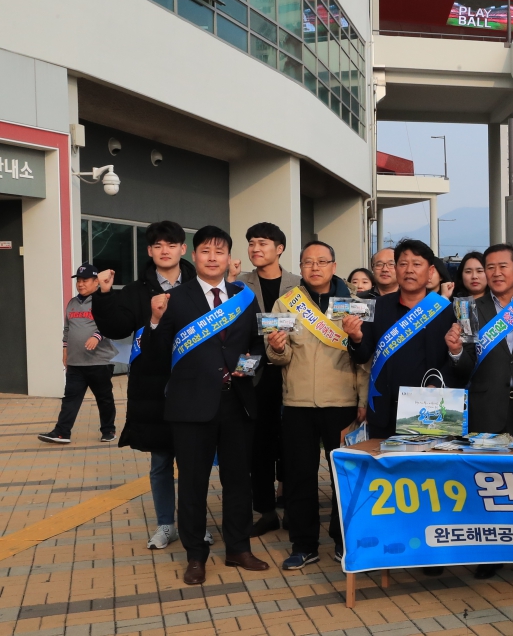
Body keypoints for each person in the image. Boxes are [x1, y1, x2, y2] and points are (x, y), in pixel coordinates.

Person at [145, 226, 267, 585]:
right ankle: (195, 556)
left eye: (220, 252)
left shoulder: (244, 297)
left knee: (238, 482)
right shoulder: (176, 299)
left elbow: (258, 345)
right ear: (193, 256)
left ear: (229, 257)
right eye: (205, 251)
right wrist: (154, 320)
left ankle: (239, 548)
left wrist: (250, 367)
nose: (213, 258)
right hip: (191, 407)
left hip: (237, 403)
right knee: (194, 485)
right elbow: (155, 355)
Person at [92, 220, 207, 550]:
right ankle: (166, 524)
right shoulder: (136, 291)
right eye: (158, 245)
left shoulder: (201, 285)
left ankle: (193, 525)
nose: (165, 250)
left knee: (192, 463)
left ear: (183, 248)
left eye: (171, 244)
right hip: (153, 389)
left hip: (194, 384)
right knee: (160, 462)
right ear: (149, 251)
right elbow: (115, 328)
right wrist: (102, 294)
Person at [448, 242, 513, 582]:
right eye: (489, 267)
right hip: (486, 405)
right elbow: (463, 368)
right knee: (488, 484)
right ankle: (489, 553)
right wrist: (453, 352)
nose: (495, 273)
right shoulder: (468, 309)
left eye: (503, 266)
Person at [266, 241, 366, 569]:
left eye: (322, 261)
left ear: (334, 266)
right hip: (297, 404)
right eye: (308, 262)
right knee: (299, 477)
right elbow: (276, 356)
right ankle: (304, 544)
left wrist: (363, 402)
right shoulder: (286, 303)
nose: (315, 267)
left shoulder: (355, 304)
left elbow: (365, 361)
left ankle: (343, 541)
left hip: (342, 403)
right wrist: (277, 347)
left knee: (343, 476)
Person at [345, 239, 467, 440]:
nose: (409, 270)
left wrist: (437, 383)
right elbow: (362, 356)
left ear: (430, 272)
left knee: (429, 470)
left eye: (417, 264)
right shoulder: (378, 307)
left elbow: (458, 362)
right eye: (402, 264)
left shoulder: (446, 310)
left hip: (432, 411)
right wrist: (356, 338)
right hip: (385, 412)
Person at [237, 222, 301, 538]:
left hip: (293, 374)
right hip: (255, 376)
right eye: (251, 243)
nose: (255, 248)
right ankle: (265, 511)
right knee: (258, 445)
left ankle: (292, 508)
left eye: (262, 242)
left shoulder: (299, 286)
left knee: (292, 444)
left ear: (279, 248)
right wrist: (243, 371)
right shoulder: (238, 285)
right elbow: (236, 335)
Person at [39, 264, 118, 445]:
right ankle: (62, 432)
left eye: (85, 280)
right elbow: (67, 329)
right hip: (76, 362)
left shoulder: (102, 300)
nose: (81, 284)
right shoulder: (72, 303)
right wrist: (65, 350)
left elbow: (113, 323)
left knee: (104, 398)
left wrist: (97, 337)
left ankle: (108, 431)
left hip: (99, 361)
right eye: (79, 281)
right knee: (70, 399)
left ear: (96, 281)